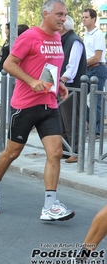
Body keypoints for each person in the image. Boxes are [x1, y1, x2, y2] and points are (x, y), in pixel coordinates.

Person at [0, 0, 76, 222]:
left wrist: (57, 84)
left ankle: (50, 206)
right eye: (59, 14)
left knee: (55, 153)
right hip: (25, 105)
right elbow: (9, 64)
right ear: (46, 13)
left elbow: (50, 66)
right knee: (12, 152)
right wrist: (32, 81)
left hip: (49, 104)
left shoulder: (56, 38)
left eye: (65, 15)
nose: (63, 18)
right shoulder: (30, 36)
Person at [58, 15, 87, 164]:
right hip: (63, 85)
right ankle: (65, 150)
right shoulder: (64, 40)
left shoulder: (74, 41)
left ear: (63, 26)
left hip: (71, 86)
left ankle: (75, 151)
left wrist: (62, 79)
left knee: (71, 120)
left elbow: (72, 67)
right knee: (62, 120)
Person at [82, 8, 107, 139]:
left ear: (93, 19)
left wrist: (82, 64)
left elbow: (97, 57)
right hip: (88, 69)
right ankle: (91, 123)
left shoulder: (98, 34)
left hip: (98, 68)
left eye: (86, 17)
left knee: (97, 100)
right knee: (78, 96)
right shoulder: (86, 34)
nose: (83, 19)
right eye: (83, 17)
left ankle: (97, 131)